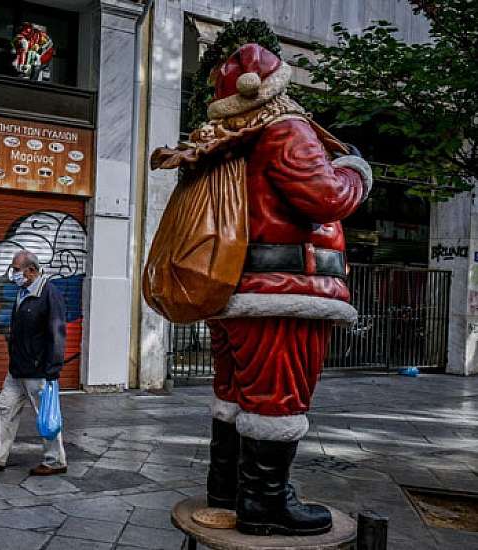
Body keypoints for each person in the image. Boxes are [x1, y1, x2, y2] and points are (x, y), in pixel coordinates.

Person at [148, 43, 372, 536]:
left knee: (234, 394)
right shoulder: (285, 129)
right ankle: (266, 504)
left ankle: (225, 488)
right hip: (284, 292)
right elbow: (325, 197)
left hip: (232, 289)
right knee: (277, 399)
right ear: (275, 86)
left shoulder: (225, 139)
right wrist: (356, 171)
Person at [0, 250, 68, 476]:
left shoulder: (50, 295)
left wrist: (53, 369)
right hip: (17, 369)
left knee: (46, 417)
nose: (12, 274)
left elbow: (57, 334)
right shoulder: (23, 292)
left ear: (31, 270)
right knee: (5, 410)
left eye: (15, 269)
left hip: (38, 371)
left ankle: (55, 461)